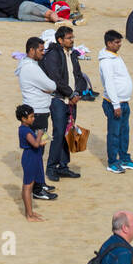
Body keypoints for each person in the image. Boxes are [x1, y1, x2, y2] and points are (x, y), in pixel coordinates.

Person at [40, 26, 85, 181]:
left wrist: (77, 93)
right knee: (59, 133)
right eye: (69, 38)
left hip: (71, 100)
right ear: (60, 40)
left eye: (72, 37)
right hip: (58, 100)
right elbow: (56, 79)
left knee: (67, 132)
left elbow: (79, 76)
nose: (72, 40)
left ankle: (63, 166)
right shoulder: (53, 55)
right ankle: (51, 168)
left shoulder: (72, 54)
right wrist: (70, 94)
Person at [98, 30, 133, 173]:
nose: (119, 44)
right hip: (114, 104)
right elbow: (109, 83)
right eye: (116, 42)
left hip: (123, 102)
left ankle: (124, 159)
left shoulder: (115, 56)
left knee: (124, 133)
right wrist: (115, 105)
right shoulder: (106, 61)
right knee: (114, 134)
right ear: (109, 43)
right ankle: (113, 162)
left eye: (120, 42)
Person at [16, 104, 49, 221]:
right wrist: (39, 134)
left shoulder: (25, 129)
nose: (33, 118)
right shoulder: (25, 130)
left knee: (29, 185)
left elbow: (35, 143)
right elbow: (35, 144)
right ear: (23, 119)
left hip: (33, 157)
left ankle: (30, 212)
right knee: (27, 186)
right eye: (31, 117)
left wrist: (40, 142)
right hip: (30, 158)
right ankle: (29, 215)